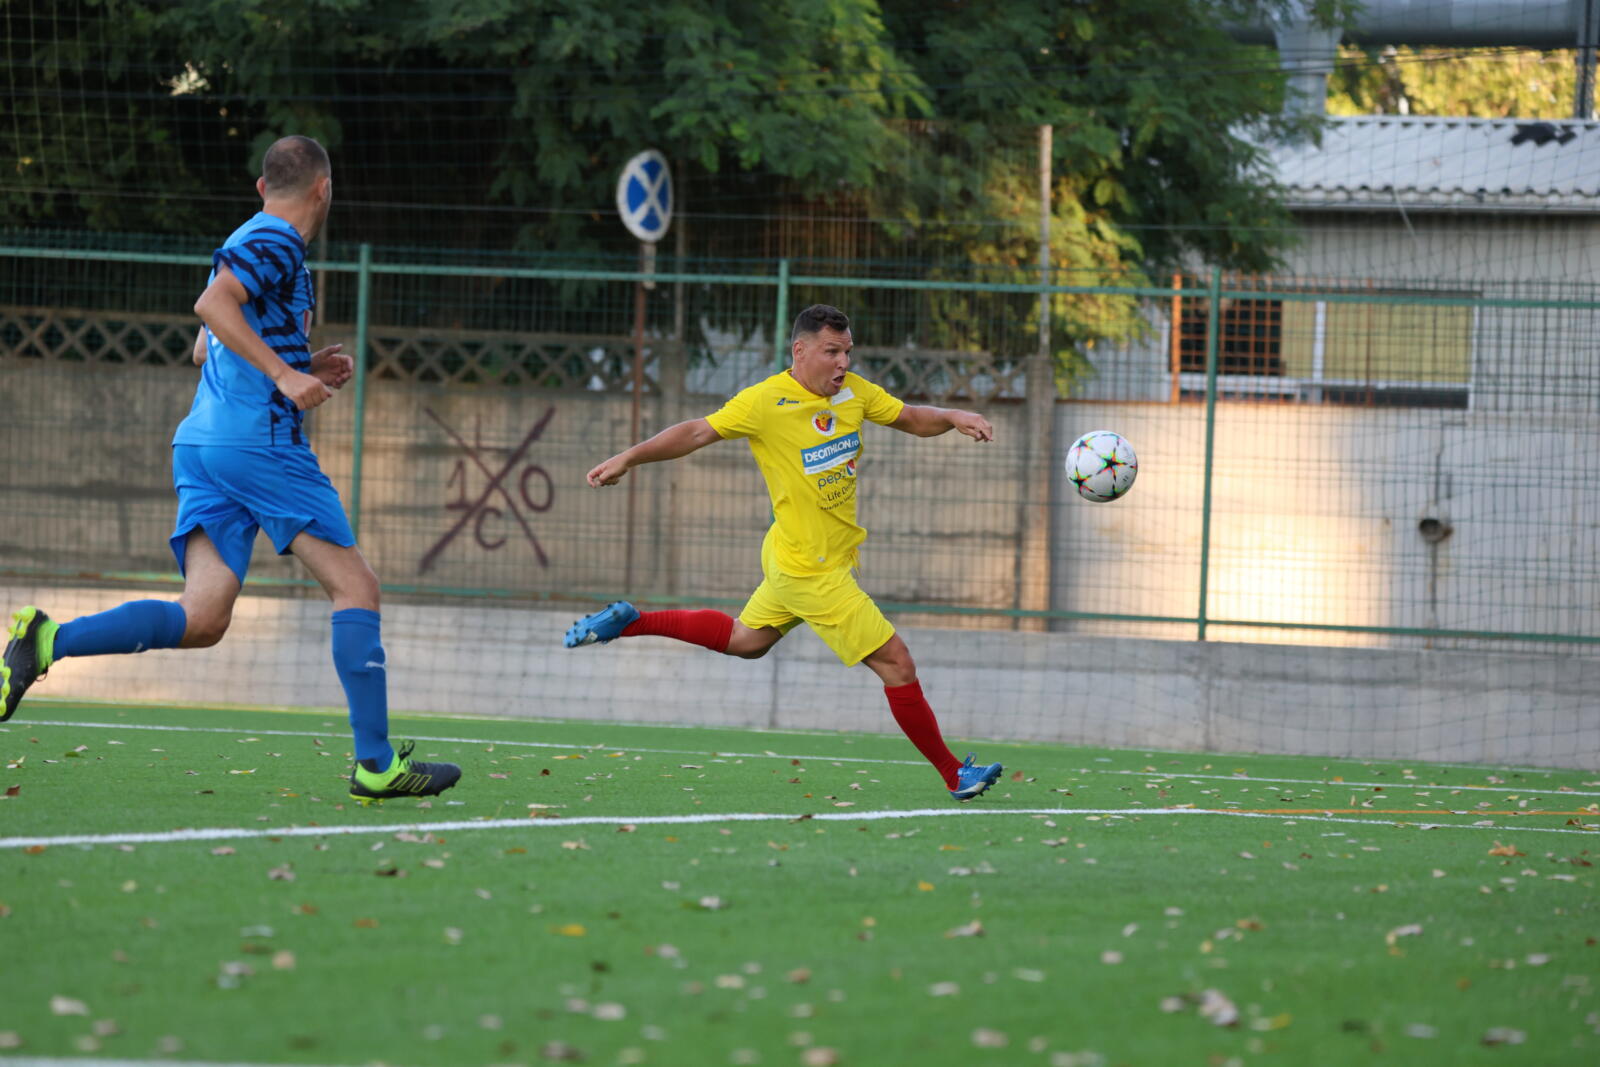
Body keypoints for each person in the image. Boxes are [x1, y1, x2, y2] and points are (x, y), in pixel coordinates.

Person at [0, 135, 460, 805]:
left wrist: (300, 363)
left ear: (262, 185)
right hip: (258, 445)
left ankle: (47, 639)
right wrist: (284, 375)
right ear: (324, 189)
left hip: (204, 444)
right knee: (356, 587)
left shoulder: (249, 240)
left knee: (204, 616)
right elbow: (211, 309)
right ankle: (376, 764)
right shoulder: (276, 239)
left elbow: (204, 348)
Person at [568, 304, 1004, 801]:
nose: (843, 363)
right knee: (897, 664)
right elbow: (696, 432)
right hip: (810, 569)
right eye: (832, 352)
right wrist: (628, 458)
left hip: (795, 555)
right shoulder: (764, 401)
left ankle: (631, 621)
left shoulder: (854, 392)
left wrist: (952, 416)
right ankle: (954, 773)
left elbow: (910, 417)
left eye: (847, 352)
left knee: (746, 641)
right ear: (800, 351)